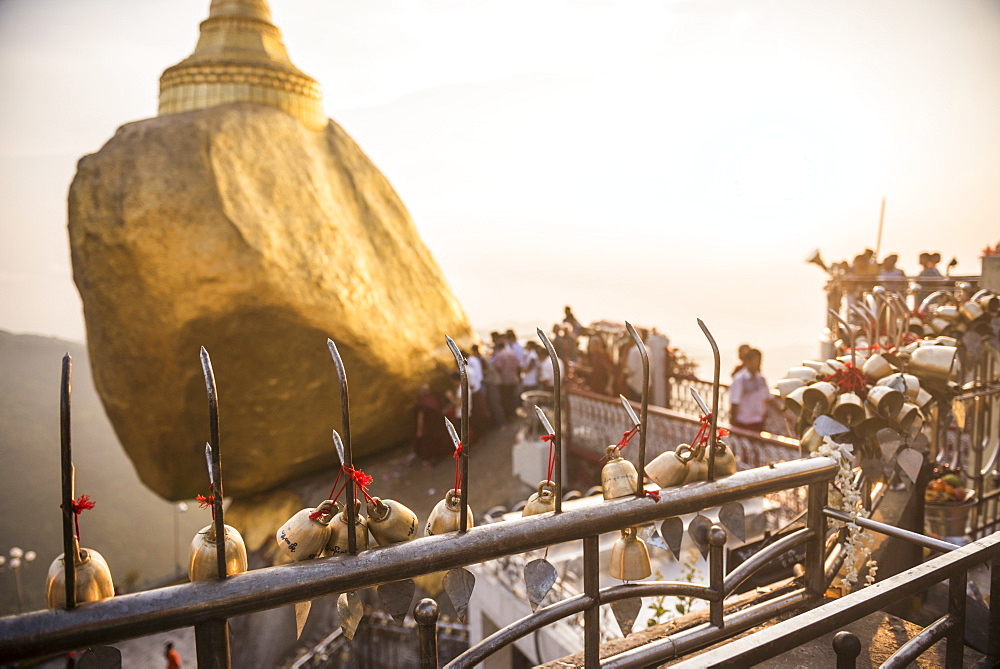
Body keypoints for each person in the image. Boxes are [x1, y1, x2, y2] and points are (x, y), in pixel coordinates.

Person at [729, 348, 781, 432]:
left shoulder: (761, 379)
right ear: (748, 361)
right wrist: (733, 425)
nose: (759, 364)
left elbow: (769, 397)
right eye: (756, 361)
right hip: (743, 422)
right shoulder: (739, 379)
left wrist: (782, 411)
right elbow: (734, 402)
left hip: (758, 422)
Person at [414, 384, 451, 465]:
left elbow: (421, 416)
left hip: (436, 424)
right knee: (430, 441)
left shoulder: (429, 399)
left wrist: (419, 429)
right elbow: (421, 415)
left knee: (436, 439)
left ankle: (439, 456)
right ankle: (432, 459)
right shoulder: (426, 401)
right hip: (430, 425)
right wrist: (420, 429)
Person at [492, 341, 521, 422]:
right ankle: (513, 414)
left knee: (506, 399)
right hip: (514, 379)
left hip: (505, 380)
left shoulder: (499, 355)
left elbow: (499, 367)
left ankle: (508, 416)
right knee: (512, 398)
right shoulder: (512, 353)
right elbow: (517, 365)